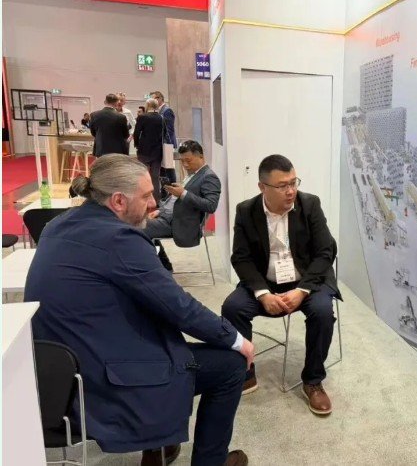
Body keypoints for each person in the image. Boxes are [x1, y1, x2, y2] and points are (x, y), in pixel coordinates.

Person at [27, 154, 252, 466]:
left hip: (59, 376)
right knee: (230, 365)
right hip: (103, 381)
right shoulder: (119, 239)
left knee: (160, 332)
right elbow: (179, 306)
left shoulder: (58, 225)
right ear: (119, 201)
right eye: (146, 196)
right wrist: (237, 339)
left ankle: (160, 446)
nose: (154, 204)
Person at [222, 154, 341, 416]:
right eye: (282, 185)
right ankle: (244, 372)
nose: (290, 191)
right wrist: (263, 293)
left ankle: (313, 380)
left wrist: (302, 290)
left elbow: (325, 251)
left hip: (306, 280)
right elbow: (240, 258)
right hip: (266, 282)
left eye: (293, 182)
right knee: (232, 308)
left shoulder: (310, 204)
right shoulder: (246, 211)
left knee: (322, 311)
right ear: (262, 187)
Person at [145, 140, 220, 271]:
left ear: (201, 156)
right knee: (137, 224)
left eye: (188, 160)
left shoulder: (209, 177)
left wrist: (183, 193)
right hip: (169, 217)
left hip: (182, 224)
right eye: (182, 161)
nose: (185, 164)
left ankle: (159, 267)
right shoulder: (193, 174)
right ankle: (163, 265)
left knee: (140, 228)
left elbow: (211, 205)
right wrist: (160, 211)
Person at [134, 98, 164, 202]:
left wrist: (136, 144)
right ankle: (156, 200)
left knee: (142, 174)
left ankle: (142, 198)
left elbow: (136, 133)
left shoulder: (142, 117)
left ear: (147, 105)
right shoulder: (161, 117)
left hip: (144, 150)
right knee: (155, 176)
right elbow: (164, 134)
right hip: (157, 151)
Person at [150, 90, 177, 183]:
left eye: (153, 99)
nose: (152, 102)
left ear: (160, 98)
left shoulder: (167, 110)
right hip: (161, 144)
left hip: (167, 144)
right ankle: (165, 188)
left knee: (169, 168)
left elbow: (169, 130)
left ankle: (173, 186)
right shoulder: (158, 111)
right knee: (163, 169)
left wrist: (165, 144)